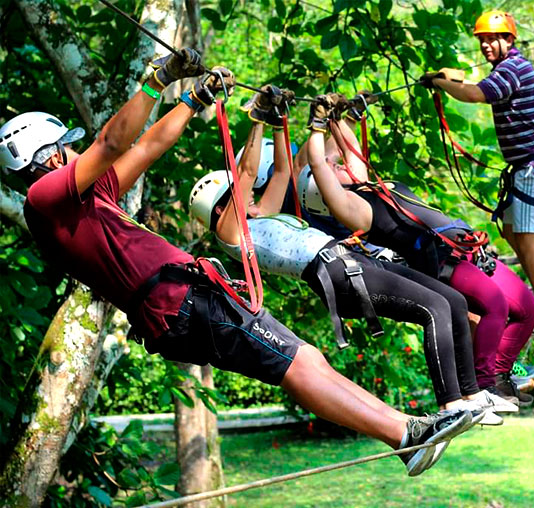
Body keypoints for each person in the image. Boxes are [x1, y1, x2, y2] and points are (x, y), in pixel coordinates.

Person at [0, 49, 472, 477]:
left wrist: (191, 99)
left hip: (188, 298)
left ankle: (406, 431)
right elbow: (109, 143)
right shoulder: (45, 202)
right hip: (177, 302)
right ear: (48, 156)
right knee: (294, 363)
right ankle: (403, 435)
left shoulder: (85, 199)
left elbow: (145, 147)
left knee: (305, 357)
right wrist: (156, 80)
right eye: (67, 144)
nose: (77, 150)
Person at [188, 87, 517, 426]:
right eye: (239, 195)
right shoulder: (232, 235)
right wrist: (256, 121)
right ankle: (452, 405)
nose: (252, 195)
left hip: (349, 261)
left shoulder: (261, 216)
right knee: (434, 309)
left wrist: (276, 119)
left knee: (452, 301)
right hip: (335, 273)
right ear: (222, 207)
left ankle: (473, 395)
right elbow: (245, 173)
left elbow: (284, 172)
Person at [302, 94, 534, 406]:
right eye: (333, 168)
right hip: (440, 260)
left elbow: (349, 149)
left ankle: (502, 373)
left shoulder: (367, 185)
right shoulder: (353, 208)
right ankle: (487, 384)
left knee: (529, 309)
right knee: (494, 305)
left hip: (468, 249)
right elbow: (318, 162)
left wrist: (343, 115)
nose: (336, 163)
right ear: (324, 190)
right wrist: (318, 126)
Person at [422, 11, 534, 334]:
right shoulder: (505, 69)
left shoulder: (513, 68)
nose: (485, 45)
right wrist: (446, 76)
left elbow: (476, 94)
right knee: (514, 234)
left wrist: (441, 83)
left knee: (528, 241)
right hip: (526, 170)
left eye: (491, 39)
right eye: (481, 40)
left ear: (508, 40)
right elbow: (474, 84)